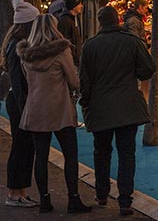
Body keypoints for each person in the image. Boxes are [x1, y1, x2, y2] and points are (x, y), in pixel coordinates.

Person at [79, 6, 155, 216]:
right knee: (126, 153)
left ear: (100, 22)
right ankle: (125, 200)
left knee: (101, 152)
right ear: (118, 20)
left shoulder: (90, 46)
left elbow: (84, 78)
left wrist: (85, 103)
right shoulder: (131, 42)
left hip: (100, 107)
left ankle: (102, 193)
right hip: (127, 106)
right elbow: (148, 68)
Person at [17, 14, 91, 213]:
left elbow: (27, 81)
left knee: (40, 156)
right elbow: (74, 81)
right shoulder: (61, 51)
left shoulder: (26, 55)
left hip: (35, 110)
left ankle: (45, 200)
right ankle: (73, 199)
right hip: (60, 110)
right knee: (70, 154)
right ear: (53, 28)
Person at [2, 0, 38, 207]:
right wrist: (26, 106)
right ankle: (15, 193)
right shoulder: (18, 47)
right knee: (22, 146)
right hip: (20, 102)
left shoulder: (13, 43)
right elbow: (17, 79)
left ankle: (19, 191)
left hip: (17, 101)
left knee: (22, 146)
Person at [56, 0, 83, 67]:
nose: (81, 6)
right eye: (79, 4)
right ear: (74, 6)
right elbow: (64, 40)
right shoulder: (66, 21)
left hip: (74, 60)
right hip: (70, 61)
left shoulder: (73, 19)